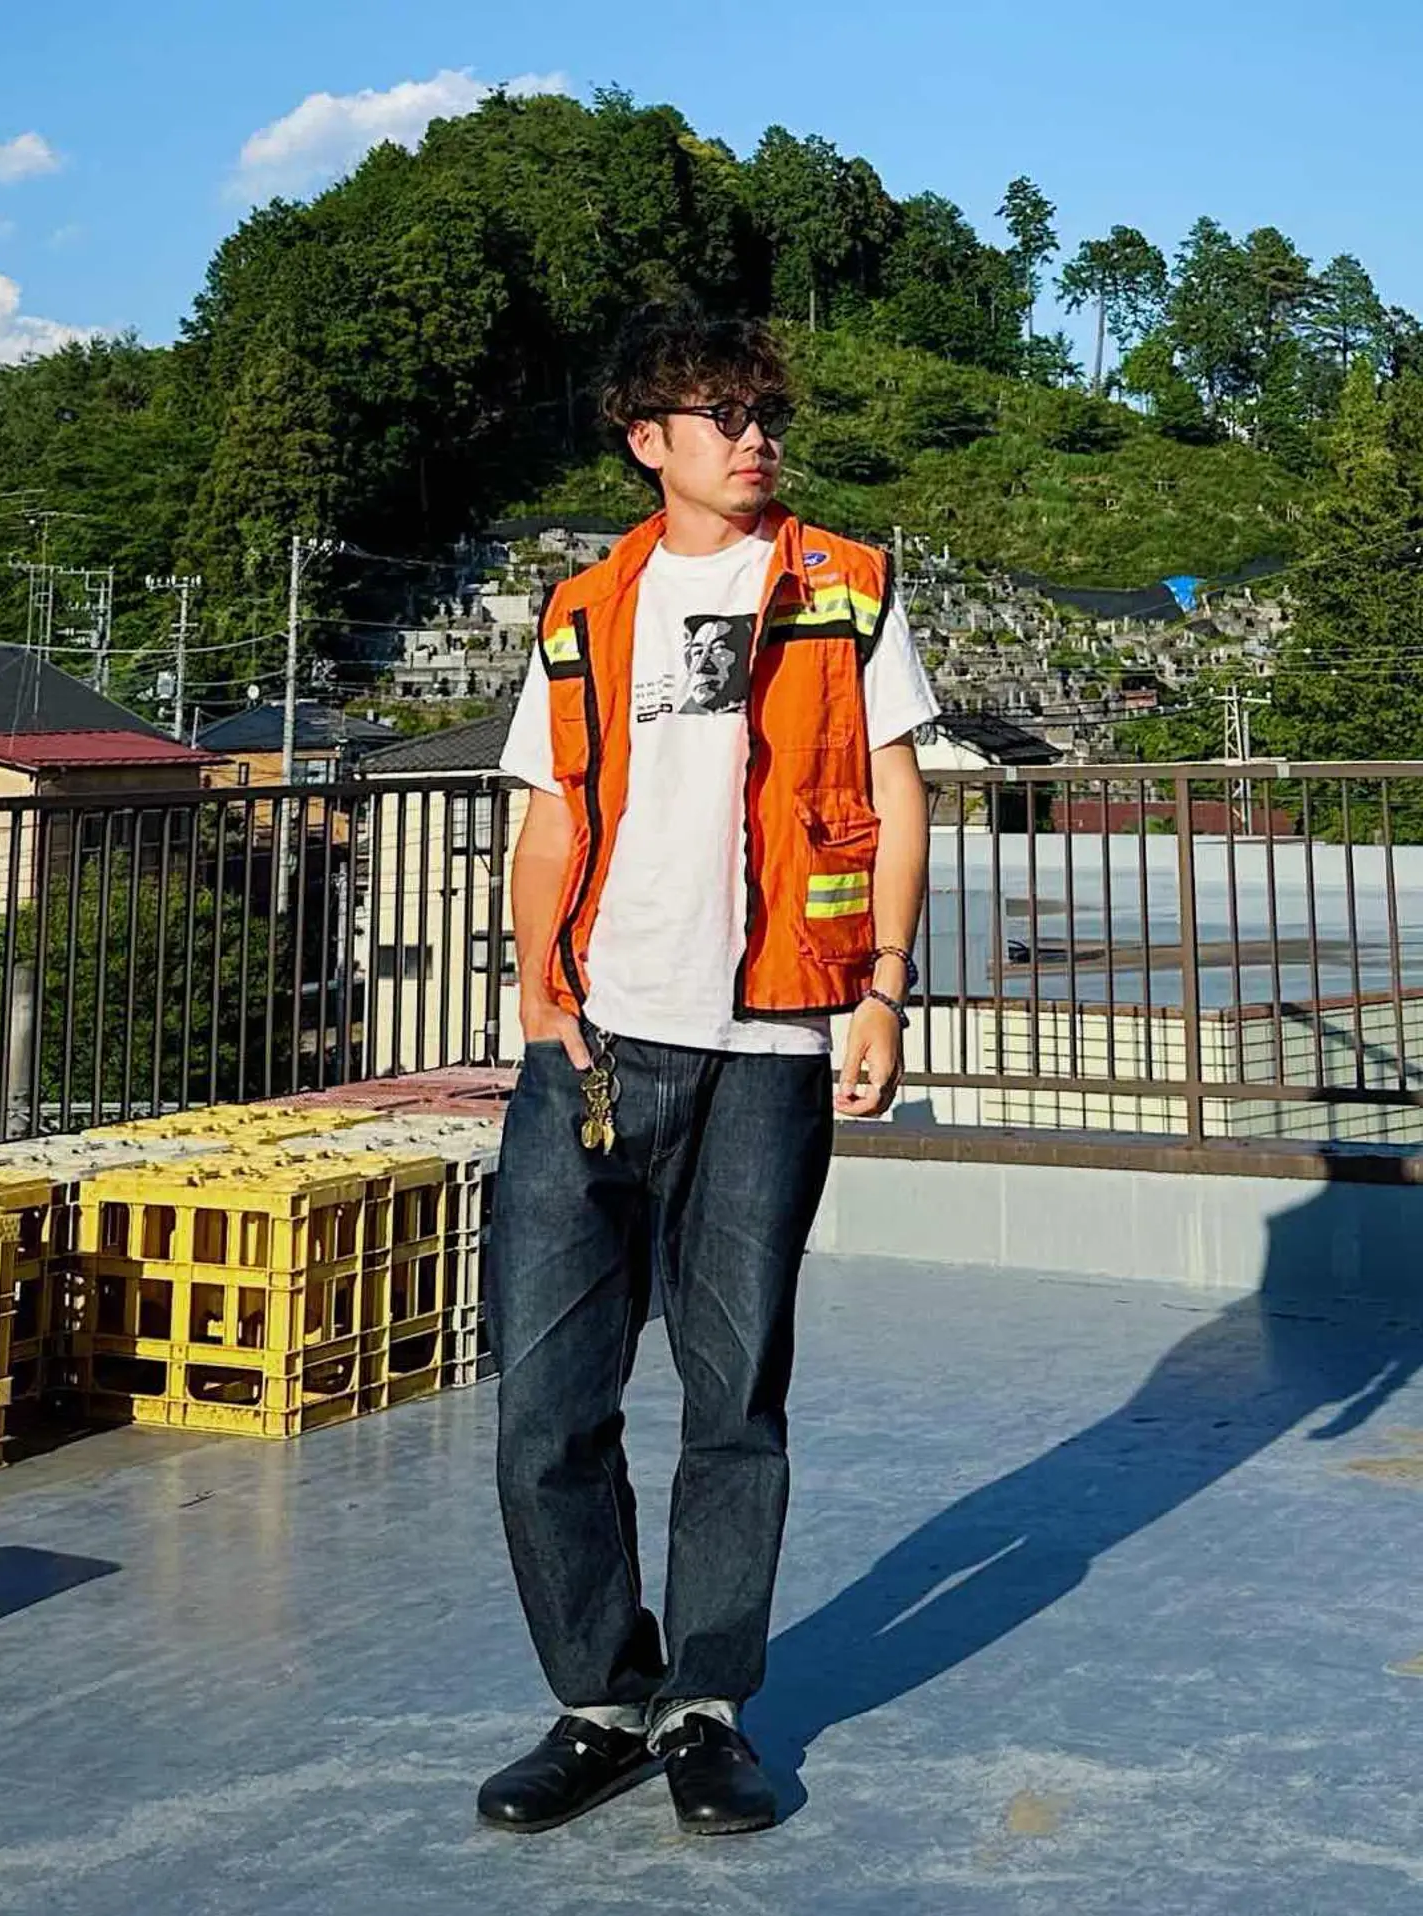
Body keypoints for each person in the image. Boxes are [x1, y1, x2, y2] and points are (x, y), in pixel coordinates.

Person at [478, 302, 938, 1838]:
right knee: (546, 1404)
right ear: (648, 441)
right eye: (723, 416)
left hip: (769, 1047)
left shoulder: (844, 587)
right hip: (595, 1047)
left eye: (766, 415)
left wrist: (881, 988)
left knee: (734, 1399)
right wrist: (536, 994)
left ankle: (707, 1710)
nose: (756, 439)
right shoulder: (581, 608)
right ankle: (601, 1702)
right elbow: (551, 814)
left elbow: (894, 792)